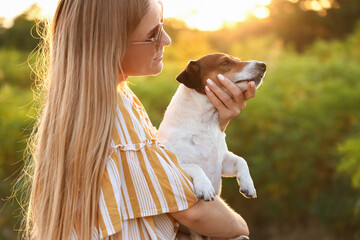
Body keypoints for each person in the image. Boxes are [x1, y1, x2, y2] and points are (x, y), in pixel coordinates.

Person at [23, 0, 257, 239]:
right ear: (111, 44)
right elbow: (192, 210)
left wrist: (218, 122)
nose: (166, 40)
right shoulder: (120, 121)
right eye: (153, 35)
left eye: (162, 26)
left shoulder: (88, 109)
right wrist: (240, 227)